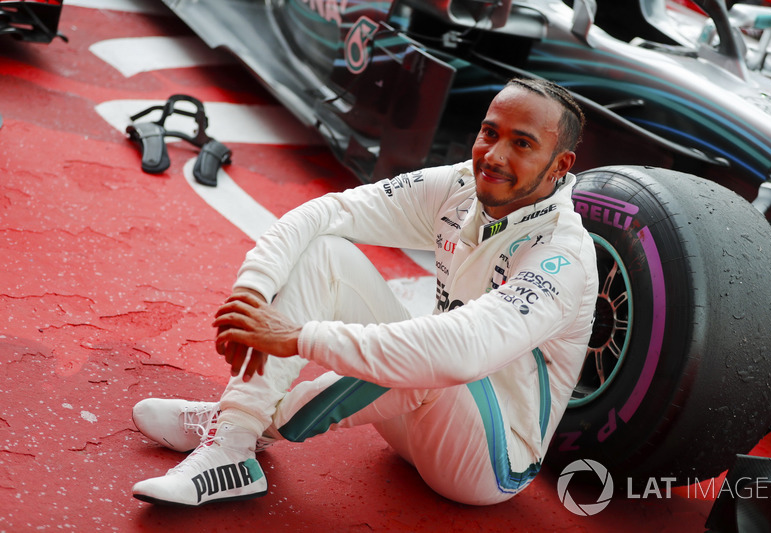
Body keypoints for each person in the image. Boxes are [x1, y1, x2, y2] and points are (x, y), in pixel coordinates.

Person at [131, 77, 599, 507]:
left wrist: (297, 337)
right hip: (411, 423)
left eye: (522, 143)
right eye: (490, 132)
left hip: (486, 464)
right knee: (326, 252)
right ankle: (232, 436)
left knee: (439, 352)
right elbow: (324, 213)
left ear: (560, 165)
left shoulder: (563, 255)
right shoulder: (461, 185)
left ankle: (236, 427)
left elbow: (462, 352)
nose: (494, 155)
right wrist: (251, 296)